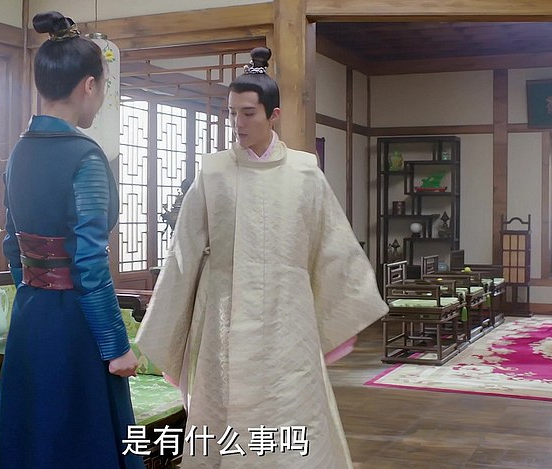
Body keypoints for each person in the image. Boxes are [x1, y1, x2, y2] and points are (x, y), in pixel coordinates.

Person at [135, 47, 389, 468]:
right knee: (224, 411)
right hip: (225, 318)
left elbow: (333, 247)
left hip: (290, 320)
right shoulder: (213, 171)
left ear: (274, 115)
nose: (238, 123)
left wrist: (345, 308)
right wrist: (168, 326)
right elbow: (184, 252)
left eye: (249, 113)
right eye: (232, 113)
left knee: (291, 407)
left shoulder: (305, 172)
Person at [0, 11, 143, 469]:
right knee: (85, 443)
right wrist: (116, 345)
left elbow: (12, 245)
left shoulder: (19, 152)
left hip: (31, 315)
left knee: (34, 435)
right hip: (77, 324)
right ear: (89, 86)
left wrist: (32, 289)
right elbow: (90, 262)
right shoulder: (86, 158)